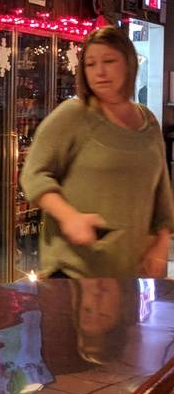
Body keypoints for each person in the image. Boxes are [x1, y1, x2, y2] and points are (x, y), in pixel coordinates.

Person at [21, 24, 174, 278]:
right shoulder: (74, 114)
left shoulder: (148, 121)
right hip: (75, 271)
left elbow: (161, 193)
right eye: (90, 64)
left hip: (129, 274)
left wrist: (160, 243)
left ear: (129, 64)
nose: (99, 72)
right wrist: (69, 217)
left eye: (109, 61)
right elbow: (33, 175)